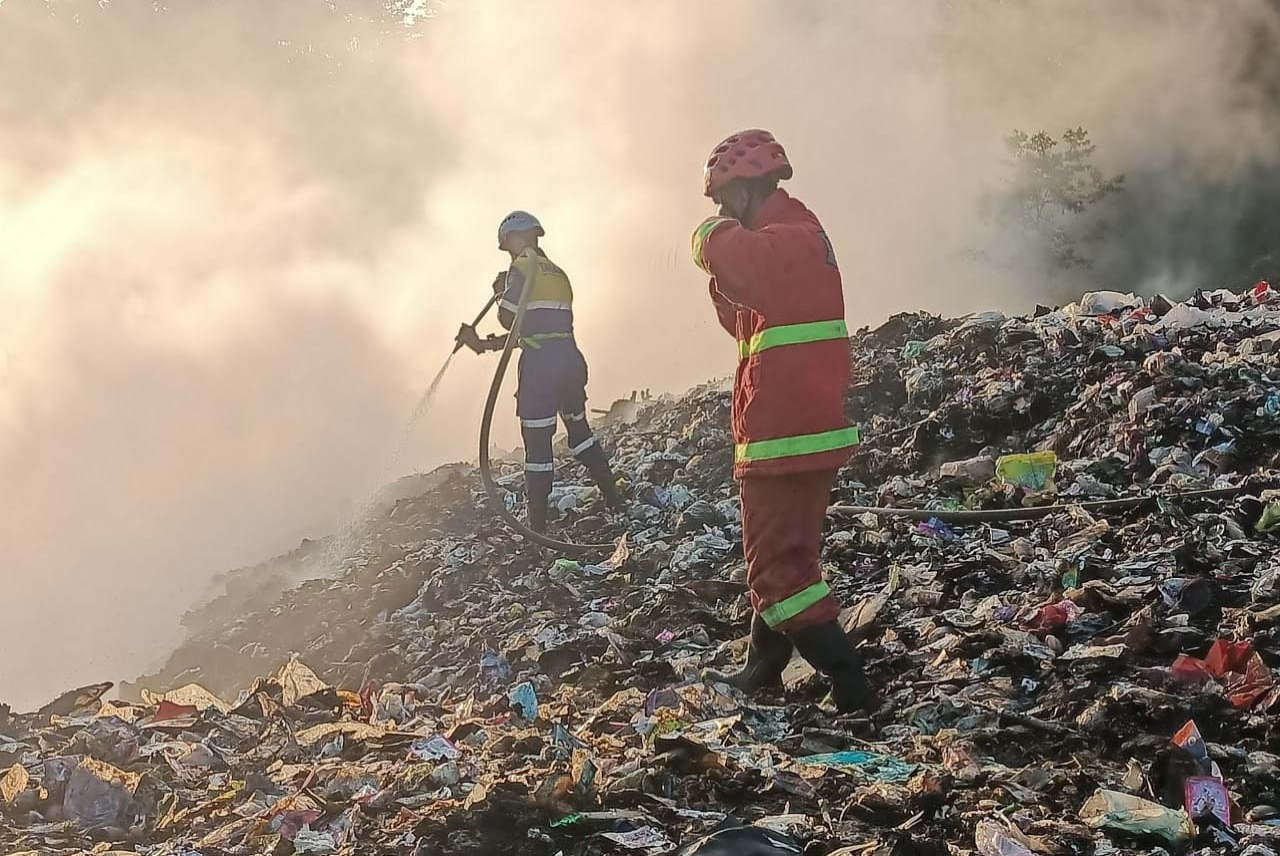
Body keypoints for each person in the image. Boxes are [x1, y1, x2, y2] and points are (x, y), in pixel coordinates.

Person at [690, 130, 871, 711]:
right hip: (782, 431)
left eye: (724, 199)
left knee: (779, 571)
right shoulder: (788, 240)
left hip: (787, 436)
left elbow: (734, 258)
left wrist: (706, 237)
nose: (721, 212)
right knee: (780, 556)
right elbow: (743, 316)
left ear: (748, 188)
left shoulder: (793, 238)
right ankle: (763, 667)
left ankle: (850, 682)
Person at [457, 210, 625, 531]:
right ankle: (615, 499)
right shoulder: (557, 273)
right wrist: (482, 345)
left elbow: (509, 318)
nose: (509, 253)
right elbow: (537, 328)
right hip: (569, 360)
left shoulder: (521, 269)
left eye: (508, 245)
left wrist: (503, 291)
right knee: (581, 434)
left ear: (516, 238)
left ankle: (537, 528)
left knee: (537, 446)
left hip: (540, 371)